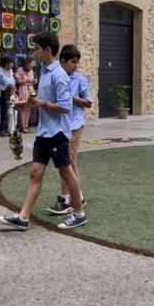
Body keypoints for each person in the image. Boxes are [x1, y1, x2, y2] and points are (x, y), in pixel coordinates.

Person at [0, 32, 87, 231]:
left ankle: (79, 213)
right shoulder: (45, 71)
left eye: (36, 48)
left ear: (47, 50)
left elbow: (65, 107)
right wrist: (22, 103)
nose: (34, 52)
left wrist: (42, 103)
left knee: (65, 171)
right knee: (35, 172)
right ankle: (23, 217)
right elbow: (41, 101)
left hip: (57, 133)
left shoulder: (59, 75)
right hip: (44, 133)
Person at [48, 44, 92, 215]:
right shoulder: (56, 77)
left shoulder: (80, 79)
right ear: (63, 61)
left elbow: (88, 103)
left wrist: (72, 98)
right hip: (60, 126)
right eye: (73, 62)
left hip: (74, 125)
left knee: (68, 162)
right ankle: (70, 197)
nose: (75, 66)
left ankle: (73, 198)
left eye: (77, 62)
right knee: (65, 163)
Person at [0, 56, 16, 137]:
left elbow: (12, 80)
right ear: (6, 63)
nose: (12, 64)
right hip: (3, 93)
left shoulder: (11, 70)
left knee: (11, 112)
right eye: (11, 63)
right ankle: (1, 129)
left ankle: (11, 128)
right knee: (3, 111)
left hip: (12, 93)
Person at [15, 58, 37, 133]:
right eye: (31, 64)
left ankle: (26, 125)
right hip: (23, 89)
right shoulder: (20, 69)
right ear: (27, 63)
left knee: (29, 108)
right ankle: (23, 125)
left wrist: (34, 82)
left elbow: (31, 81)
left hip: (30, 89)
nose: (32, 66)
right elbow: (18, 82)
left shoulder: (31, 70)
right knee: (23, 107)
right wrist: (26, 81)